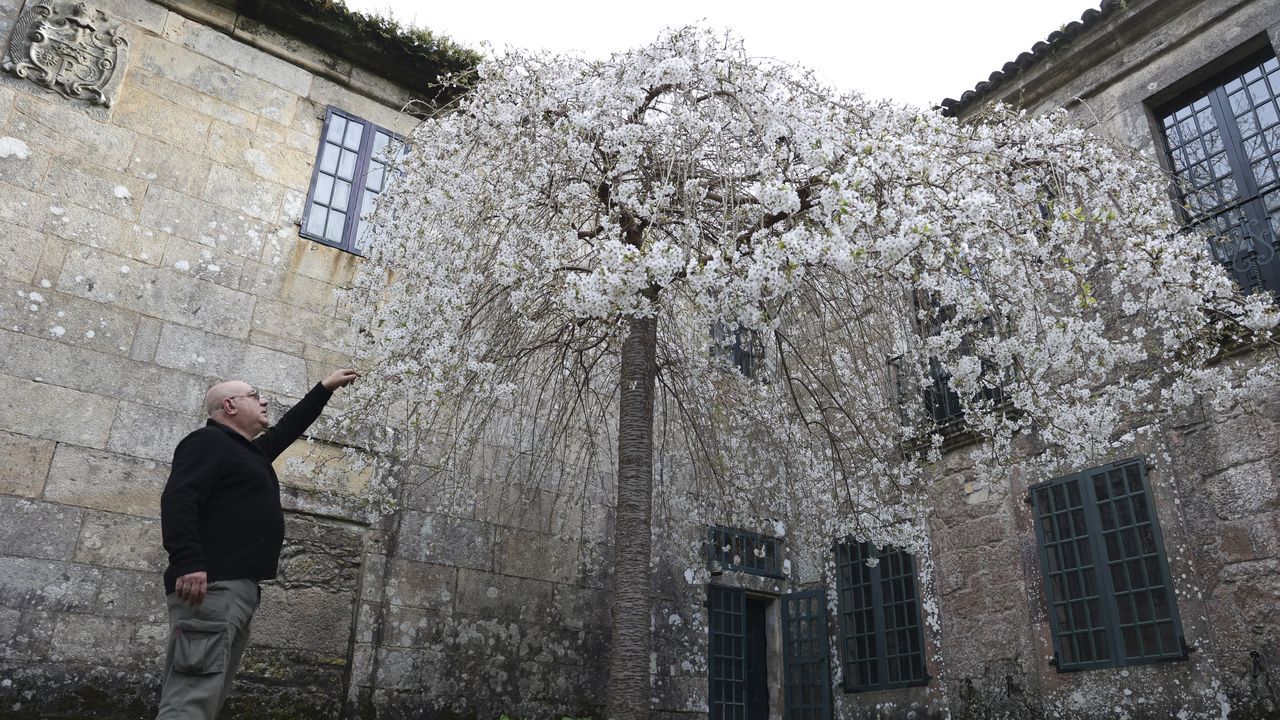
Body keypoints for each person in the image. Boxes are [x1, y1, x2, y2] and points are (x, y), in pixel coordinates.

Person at [156, 369, 359, 719]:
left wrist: (324, 389)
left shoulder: (249, 452)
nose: (263, 401)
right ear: (230, 406)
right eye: (254, 395)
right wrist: (188, 561)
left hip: (234, 589)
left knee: (206, 701)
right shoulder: (207, 442)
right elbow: (179, 499)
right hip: (212, 587)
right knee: (190, 700)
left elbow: (288, 428)